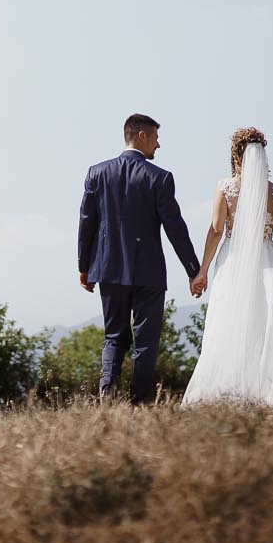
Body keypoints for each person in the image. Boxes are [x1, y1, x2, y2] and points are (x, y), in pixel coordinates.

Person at [182, 127, 273, 405]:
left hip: (233, 260)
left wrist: (202, 270)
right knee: (267, 324)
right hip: (267, 263)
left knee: (229, 320)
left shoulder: (225, 188)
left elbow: (217, 230)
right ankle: (267, 389)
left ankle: (228, 389)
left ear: (236, 157)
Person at [77, 113, 202, 403]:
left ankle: (107, 396)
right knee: (145, 343)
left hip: (107, 269)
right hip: (148, 273)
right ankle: (140, 403)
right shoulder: (159, 178)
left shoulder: (97, 173)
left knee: (114, 337)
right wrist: (193, 270)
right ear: (142, 136)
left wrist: (84, 266)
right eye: (156, 139)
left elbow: (87, 223)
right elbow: (176, 228)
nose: (158, 146)